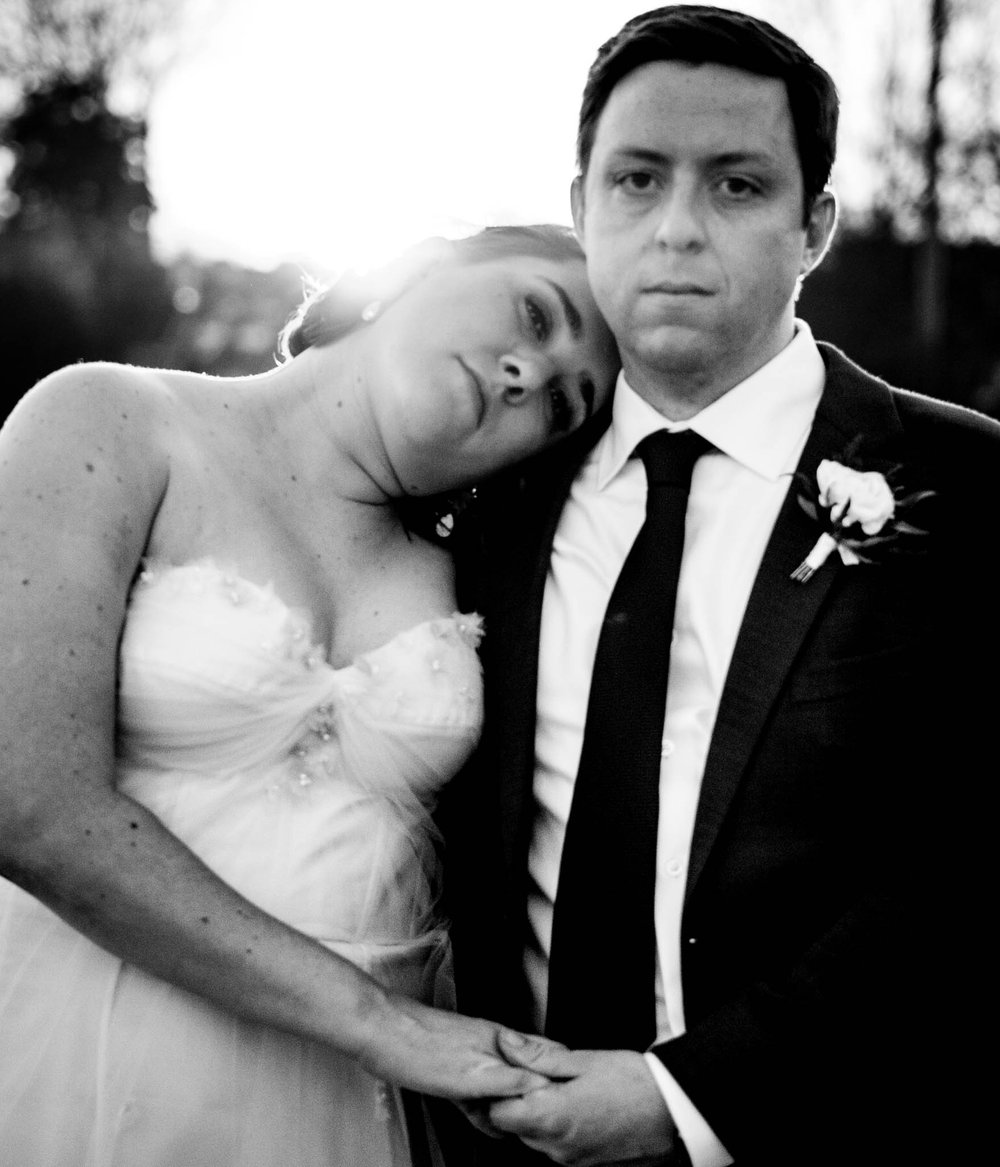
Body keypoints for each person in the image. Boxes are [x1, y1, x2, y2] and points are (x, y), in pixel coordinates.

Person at [440, 8, 997, 1166]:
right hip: (492, 1132)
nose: (677, 230)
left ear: (815, 229)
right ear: (584, 203)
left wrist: (690, 1101)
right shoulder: (483, 485)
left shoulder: (970, 487)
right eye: (637, 180)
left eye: (737, 187)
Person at [0, 224, 620, 1167]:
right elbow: (26, 803)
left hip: (340, 1108)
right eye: (537, 314)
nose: (529, 375)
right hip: (79, 1041)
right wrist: (380, 1023)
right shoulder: (109, 421)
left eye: (568, 403)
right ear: (423, 263)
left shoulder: (488, 577)